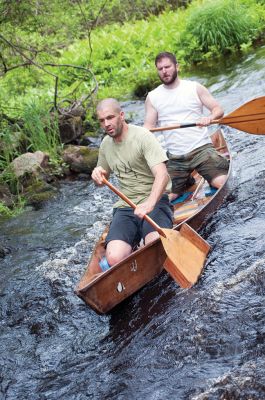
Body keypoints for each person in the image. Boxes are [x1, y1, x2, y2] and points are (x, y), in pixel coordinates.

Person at [91, 98, 173, 271]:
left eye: (110, 117)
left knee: (154, 245)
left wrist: (149, 204)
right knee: (113, 258)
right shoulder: (105, 144)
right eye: (101, 120)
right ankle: (135, 242)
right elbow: (102, 177)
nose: (106, 124)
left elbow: (162, 174)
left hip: (154, 201)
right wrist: (97, 176)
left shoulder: (142, 136)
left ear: (122, 115)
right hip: (126, 205)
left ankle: (143, 240)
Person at [144, 51, 229, 201]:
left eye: (167, 67)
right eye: (160, 69)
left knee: (220, 183)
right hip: (175, 158)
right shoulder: (153, 97)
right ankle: (185, 181)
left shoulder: (194, 88)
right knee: (165, 197)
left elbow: (218, 110)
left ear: (177, 66)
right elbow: (148, 129)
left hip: (201, 149)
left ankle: (213, 170)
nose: (164, 71)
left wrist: (209, 118)